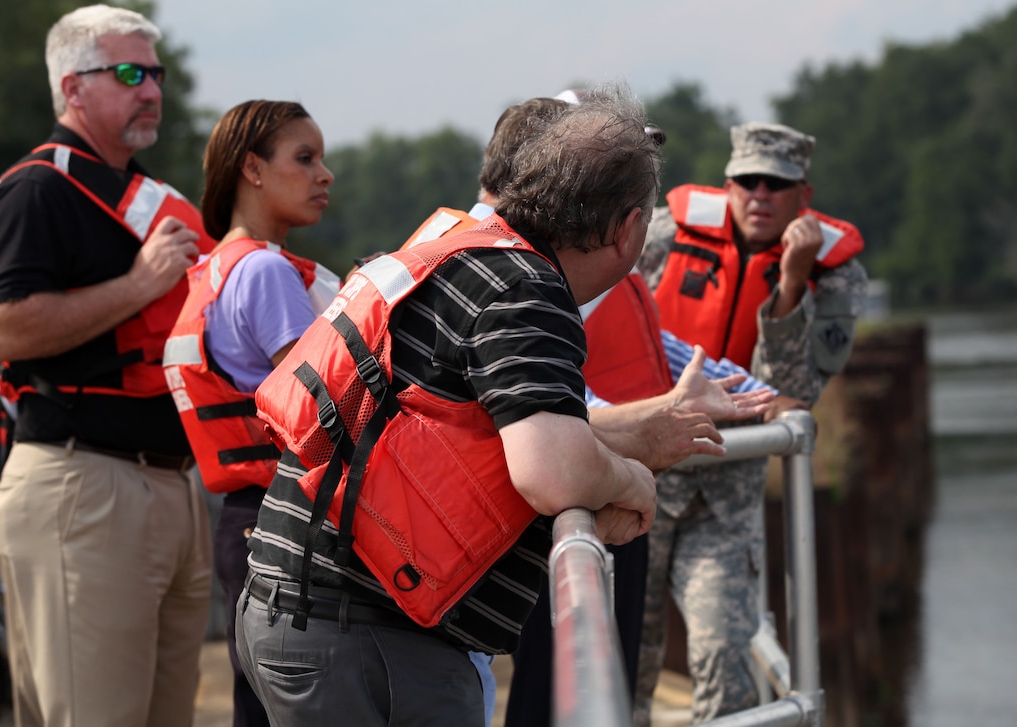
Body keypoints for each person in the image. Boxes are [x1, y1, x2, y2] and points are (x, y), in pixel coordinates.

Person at [235, 84, 664, 727]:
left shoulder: (460, 254)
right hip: (369, 636)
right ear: (629, 230)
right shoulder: (526, 289)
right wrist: (633, 479)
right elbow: (552, 470)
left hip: (303, 607)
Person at [485, 95, 777, 727]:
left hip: (608, 507)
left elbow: (659, 349)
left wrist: (730, 390)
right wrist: (638, 460)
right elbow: (555, 428)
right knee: (559, 682)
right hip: (564, 517)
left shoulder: (569, 276)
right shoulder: (528, 285)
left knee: (600, 676)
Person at [0, 5, 216, 726]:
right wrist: (138, 286)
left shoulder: (147, 199)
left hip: (168, 485)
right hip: (84, 484)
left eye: (157, 75)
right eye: (131, 73)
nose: (153, 92)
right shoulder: (36, 189)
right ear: (73, 89)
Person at [633, 121, 868, 724]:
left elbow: (793, 392)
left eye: (777, 184)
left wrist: (791, 284)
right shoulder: (661, 236)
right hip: (640, 478)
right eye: (748, 181)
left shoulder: (836, 276)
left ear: (802, 197)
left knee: (722, 653)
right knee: (629, 652)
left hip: (726, 492)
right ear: (728, 185)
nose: (760, 195)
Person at [162, 101, 340, 727]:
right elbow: (325, 405)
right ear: (253, 170)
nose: (325, 175)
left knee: (259, 704)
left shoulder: (212, 272)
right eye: (305, 158)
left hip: (245, 522)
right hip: (291, 522)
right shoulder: (266, 271)